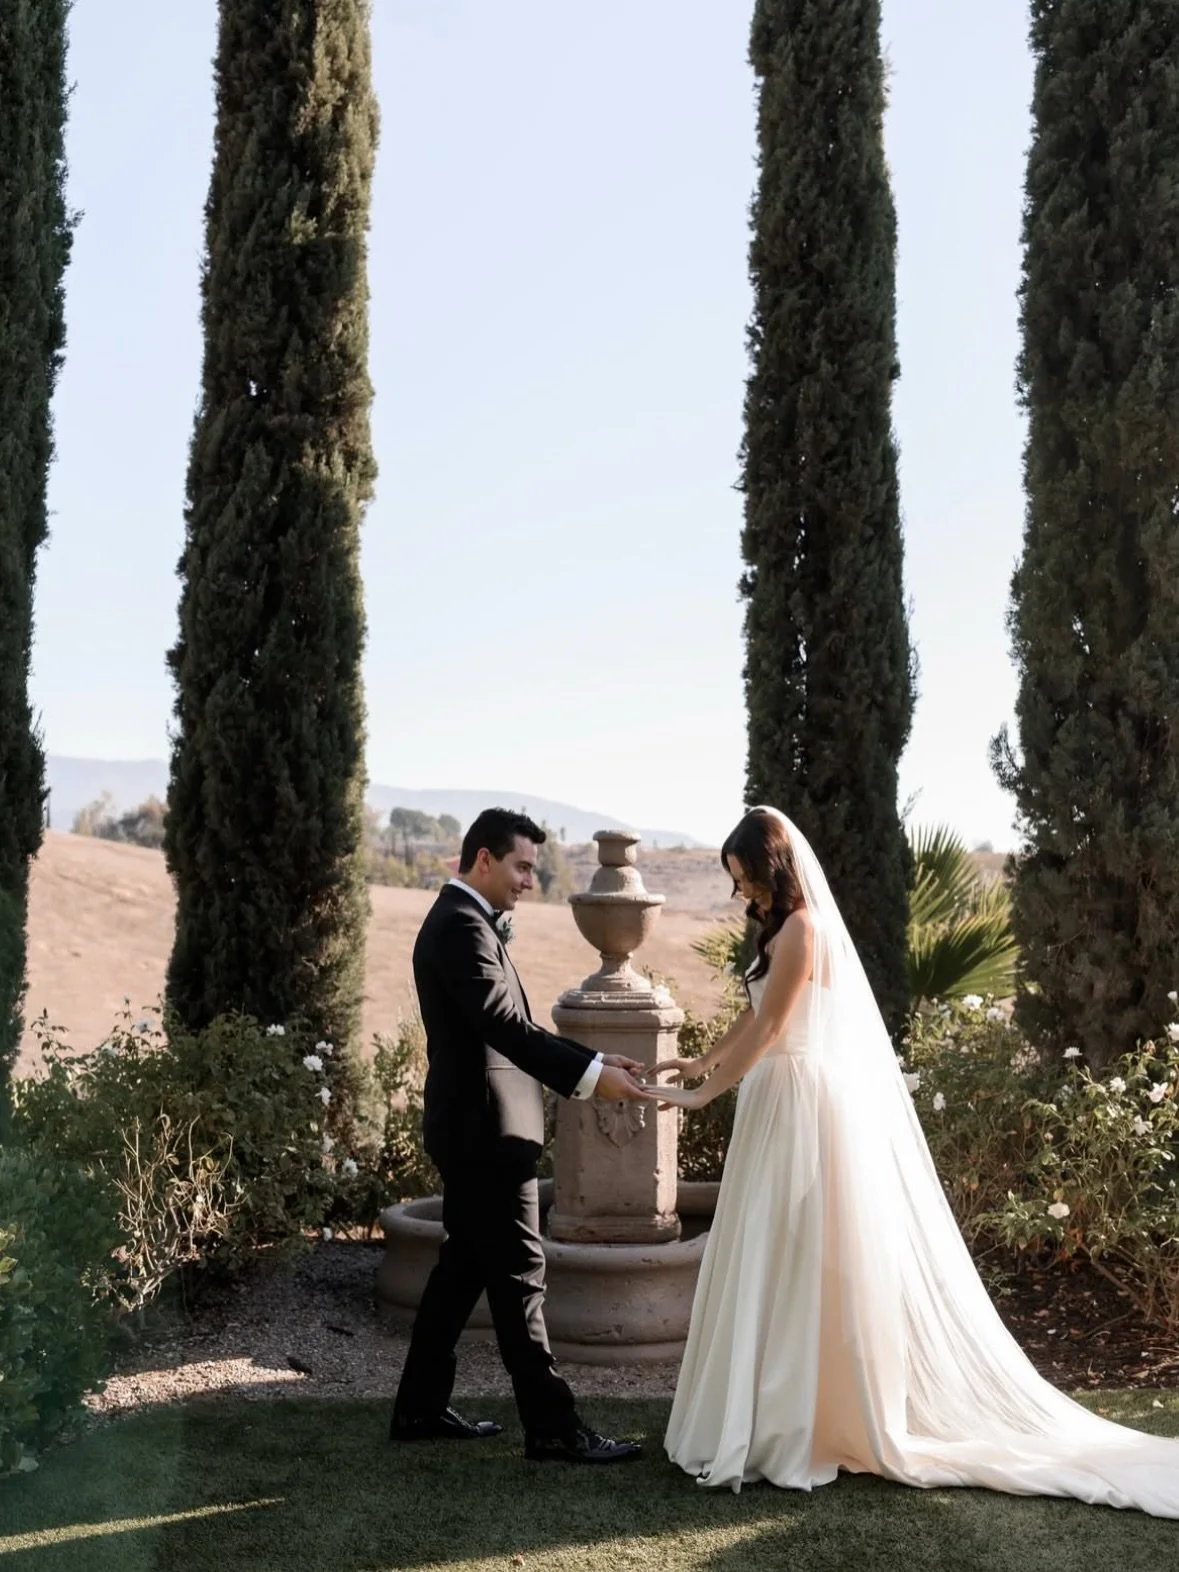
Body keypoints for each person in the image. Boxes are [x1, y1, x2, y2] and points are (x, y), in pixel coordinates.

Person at [656, 804, 1179, 1514]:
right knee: (768, 1246)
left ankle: (803, 1417)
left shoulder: (805, 929)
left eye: (745, 878)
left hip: (802, 1101)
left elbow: (778, 1027)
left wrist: (702, 1098)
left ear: (773, 868)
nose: (739, 892)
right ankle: (769, 1410)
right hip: (776, 1100)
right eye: (734, 881)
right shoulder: (776, 930)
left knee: (804, 1248)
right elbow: (752, 1017)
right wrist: (700, 1061)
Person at [391, 807, 650, 1463]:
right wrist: (589, 1072)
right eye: (523, 866)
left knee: (462, 1272)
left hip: (484, 1130)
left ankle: (419, 1410)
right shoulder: (457, 927)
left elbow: (510, 1032)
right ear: (483, 860)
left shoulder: (468, 923)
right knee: (521, 1277)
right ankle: (555, 1428)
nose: (531, 881)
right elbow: (505, 1028)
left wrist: (596, 1062)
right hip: (484, 1136)